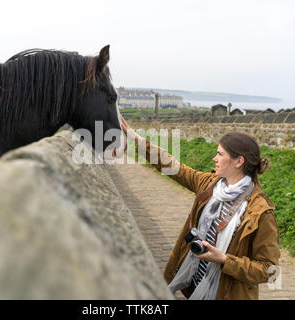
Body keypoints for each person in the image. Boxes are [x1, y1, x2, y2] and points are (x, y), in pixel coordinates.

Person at [120, 115, 280, 300]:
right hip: (195, 283)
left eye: (220, 154)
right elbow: (174, 167)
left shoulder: (260, 212)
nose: (214, 158)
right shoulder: (210, 184)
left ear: (239, 161)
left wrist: (225, 260)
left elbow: (268, 270)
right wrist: (137, 140)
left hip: (226, 293)